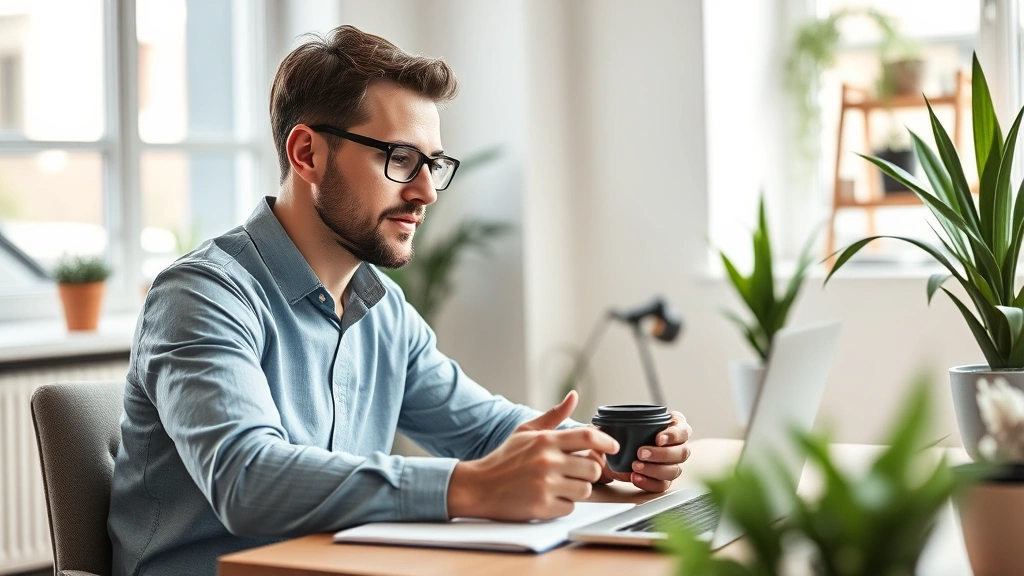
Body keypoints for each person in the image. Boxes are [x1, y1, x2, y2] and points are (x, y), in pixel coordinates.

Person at [107, 25, 692, 576]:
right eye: (400, 159)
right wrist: (470, 486)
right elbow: (247, 480)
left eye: (433, 164)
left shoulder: (381, 309)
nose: (427, 191)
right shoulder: (202, 295)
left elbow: (488, 433)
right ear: (307, 153)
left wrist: (614, 451)